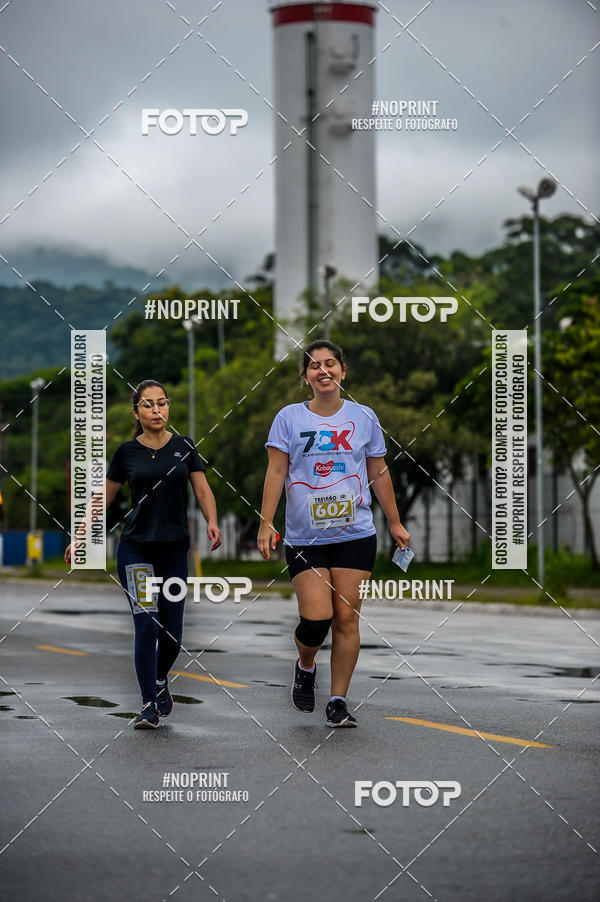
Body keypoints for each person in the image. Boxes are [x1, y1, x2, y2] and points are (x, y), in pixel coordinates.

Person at [257, 340, 410, 728]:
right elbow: (276, 471)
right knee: (317, 619)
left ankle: (338, 701)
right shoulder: (289, 418)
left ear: (343, 370)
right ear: (305, 376)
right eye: (314, 366)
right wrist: (266, 521)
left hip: (355, 533)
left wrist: (394, 522)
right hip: (305, 537)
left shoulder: (364, 417)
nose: (323, 371)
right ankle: (306, 665)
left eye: (330, 364)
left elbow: (378, 472)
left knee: (346, 618)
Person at [65, 379, 221, 729]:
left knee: (172, 634)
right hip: (135, 548)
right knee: (146, 624)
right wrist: (79, 537)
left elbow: (202, 489)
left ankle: (160, 679)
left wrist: (212, 521)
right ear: (136, 412)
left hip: (174, 550)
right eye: (148, 404)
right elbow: (102, 499)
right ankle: (148, 704)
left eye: (162, 403)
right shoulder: (126, 452)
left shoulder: (184, 446)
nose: (156, 410)